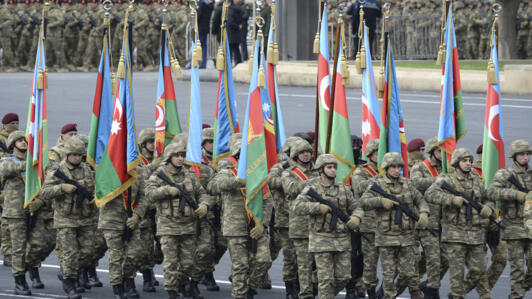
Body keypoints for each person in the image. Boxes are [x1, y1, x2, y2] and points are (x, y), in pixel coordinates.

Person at [207, 134, 272, 299]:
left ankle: (250, 287)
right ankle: (240, 295)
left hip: (256, 225)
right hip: (235, 227)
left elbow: (267, 201)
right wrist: (237, 181)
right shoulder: (228, 173)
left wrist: (262, 224)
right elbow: (213, 187)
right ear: (236, 157)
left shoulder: (258, 175)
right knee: (240, 265)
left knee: (264, 261)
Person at [426, 148, 494, 299]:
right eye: (464, 161)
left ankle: (457, 293)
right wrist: (451, 199)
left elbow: (487, 197)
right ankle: (457, 295)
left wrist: (489, 207)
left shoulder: (476, 180)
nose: (469, 164)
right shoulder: (446, 179)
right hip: (454, 234)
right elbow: (430, 194)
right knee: (456, 275)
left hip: (475, 234)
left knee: (479, 270)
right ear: (456, 163)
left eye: (470, 161)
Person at [146, 141, 210, 299]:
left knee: (188, 263)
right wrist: (167, 190)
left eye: (182, 156)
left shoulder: (188, 175)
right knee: (171, 263)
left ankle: (182, 286)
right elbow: (149, 194)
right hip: (168, 227)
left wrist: (204, 204)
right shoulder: (159, 174)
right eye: (177, 156)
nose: (180, 159)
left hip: (188, 226)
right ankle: (172, 292)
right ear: (169, 157)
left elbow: (202, 192)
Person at [295, 154, 364, 299]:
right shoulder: (312, 187)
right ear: (321, 170)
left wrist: (356, 217)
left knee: (344, 277)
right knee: (326, 280)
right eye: (329, 167)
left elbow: (356, 207)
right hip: (321, 239)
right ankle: (320, 287)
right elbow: (297, 206)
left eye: (334, 167)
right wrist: (317, 207)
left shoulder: (343, 188)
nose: (333, 170)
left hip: (342, 240)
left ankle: (313, 283)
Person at [361, 152, 427, 299]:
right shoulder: (377, 184)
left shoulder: (407, 184)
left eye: (399, 167)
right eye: (393, 167)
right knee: (389, 275)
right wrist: (380, 201)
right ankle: (388, 296)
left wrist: (423, 213)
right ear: (386, 168)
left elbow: (421, 200)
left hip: (406, 237)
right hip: (386, 238)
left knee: (408, 273)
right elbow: (363, 202)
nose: (397, 170)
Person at [40, 137, 98, 299]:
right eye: (74, 155)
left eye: (80, 155)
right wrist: (62, 188)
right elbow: (45, 192)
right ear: (67, 154)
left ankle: (70, 272)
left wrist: (94, 197)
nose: (77, 158)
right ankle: (69, 283)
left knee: (88, 252)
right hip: (65, 219)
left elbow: (95, 187)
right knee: (70, 253)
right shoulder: (58, 171)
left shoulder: (87, 169)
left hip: (85, 218)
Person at [488, 140, 532, 299]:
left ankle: (520, 289)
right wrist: (515, 194)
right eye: (522, 154)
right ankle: (516, 296)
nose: (525, 157)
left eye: (527, 154)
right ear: (514, 156)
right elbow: (492, 193)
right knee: (517, 268)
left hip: (530, 225)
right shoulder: (505, 174)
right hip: (513, 226)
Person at [410, 137, 447, 298]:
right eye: (439, 151)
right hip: (426, 220)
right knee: (433, 257)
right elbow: (415, 184)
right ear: (432, 152)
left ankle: (423, 283)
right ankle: (432, 290)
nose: (442, 154)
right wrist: (437, 180)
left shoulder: (447, 168)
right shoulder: (420, 167)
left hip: (444, 221)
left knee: (445, 258)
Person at [282, 139, 319, 299]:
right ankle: (302, 292)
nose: (306, 155)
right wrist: (314, 182)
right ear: (296, 155)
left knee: (319, 263)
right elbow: (291, 189)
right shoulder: (289, 173)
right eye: (302, 152)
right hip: (300, 224)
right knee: (302, 263)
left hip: (319, 225)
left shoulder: (319, 171)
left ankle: (314, 288)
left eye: (308, 152)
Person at [267, 136, 302, 299]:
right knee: (289, 255)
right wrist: (289, 176)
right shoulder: (280, 168)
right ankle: (290, 288)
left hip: (303, 219)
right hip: (285, 218)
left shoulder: (306, 169)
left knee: (303, 257)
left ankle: (302, 286)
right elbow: (271, 182)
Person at [0, 131, 31, 295]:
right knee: (18, 248)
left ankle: (30, 270)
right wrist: (33, 163)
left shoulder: (32, 164)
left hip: (33, 210)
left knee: (37, 246)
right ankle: (20, 281)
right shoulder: (6, 161)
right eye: (19, 140)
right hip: (15, 212)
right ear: (12, 145)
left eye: (25, 140)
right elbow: (9, 169)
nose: (23, 142)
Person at [350, 139, 379, 299]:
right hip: (368, 223)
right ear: (369, 155)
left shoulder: (389, 171)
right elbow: (360, 187)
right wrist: (382, 179)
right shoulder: (361, 171)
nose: (379, 156)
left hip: (387, 224)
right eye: (376, 153)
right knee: (369, 260)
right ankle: (367, 288)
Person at [197, 0, 214, 69]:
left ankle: (196, 62)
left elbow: (198, 15)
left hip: (200, 26)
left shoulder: (201, 3)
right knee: (203, 45)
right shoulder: (210, 5)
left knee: (198, 44)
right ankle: (203, 62)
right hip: (206, 26)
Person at [227, 0, 243, 65]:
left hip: (231, 33)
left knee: (230, 51)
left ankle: (229, 65)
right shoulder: (238, 9)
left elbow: (230, 22)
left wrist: (236, 26)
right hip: (237, 33)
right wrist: (239, 26)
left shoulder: (230, 10)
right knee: (236, 50)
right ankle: (239, 64)